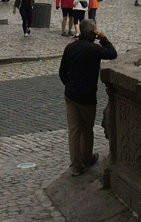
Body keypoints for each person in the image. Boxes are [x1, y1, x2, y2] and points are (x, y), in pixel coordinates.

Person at [58, 19, 116, 176]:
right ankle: (87, 158)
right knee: (87, 129)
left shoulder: (70, 47)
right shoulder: (95, 49)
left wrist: (69, 86)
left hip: (70, 95)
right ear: (93, 33)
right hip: (87, 96)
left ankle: (76, 166)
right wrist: (103, 38)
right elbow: (113, 53)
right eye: (96, 30)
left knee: (74, 131)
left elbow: (62, 72)